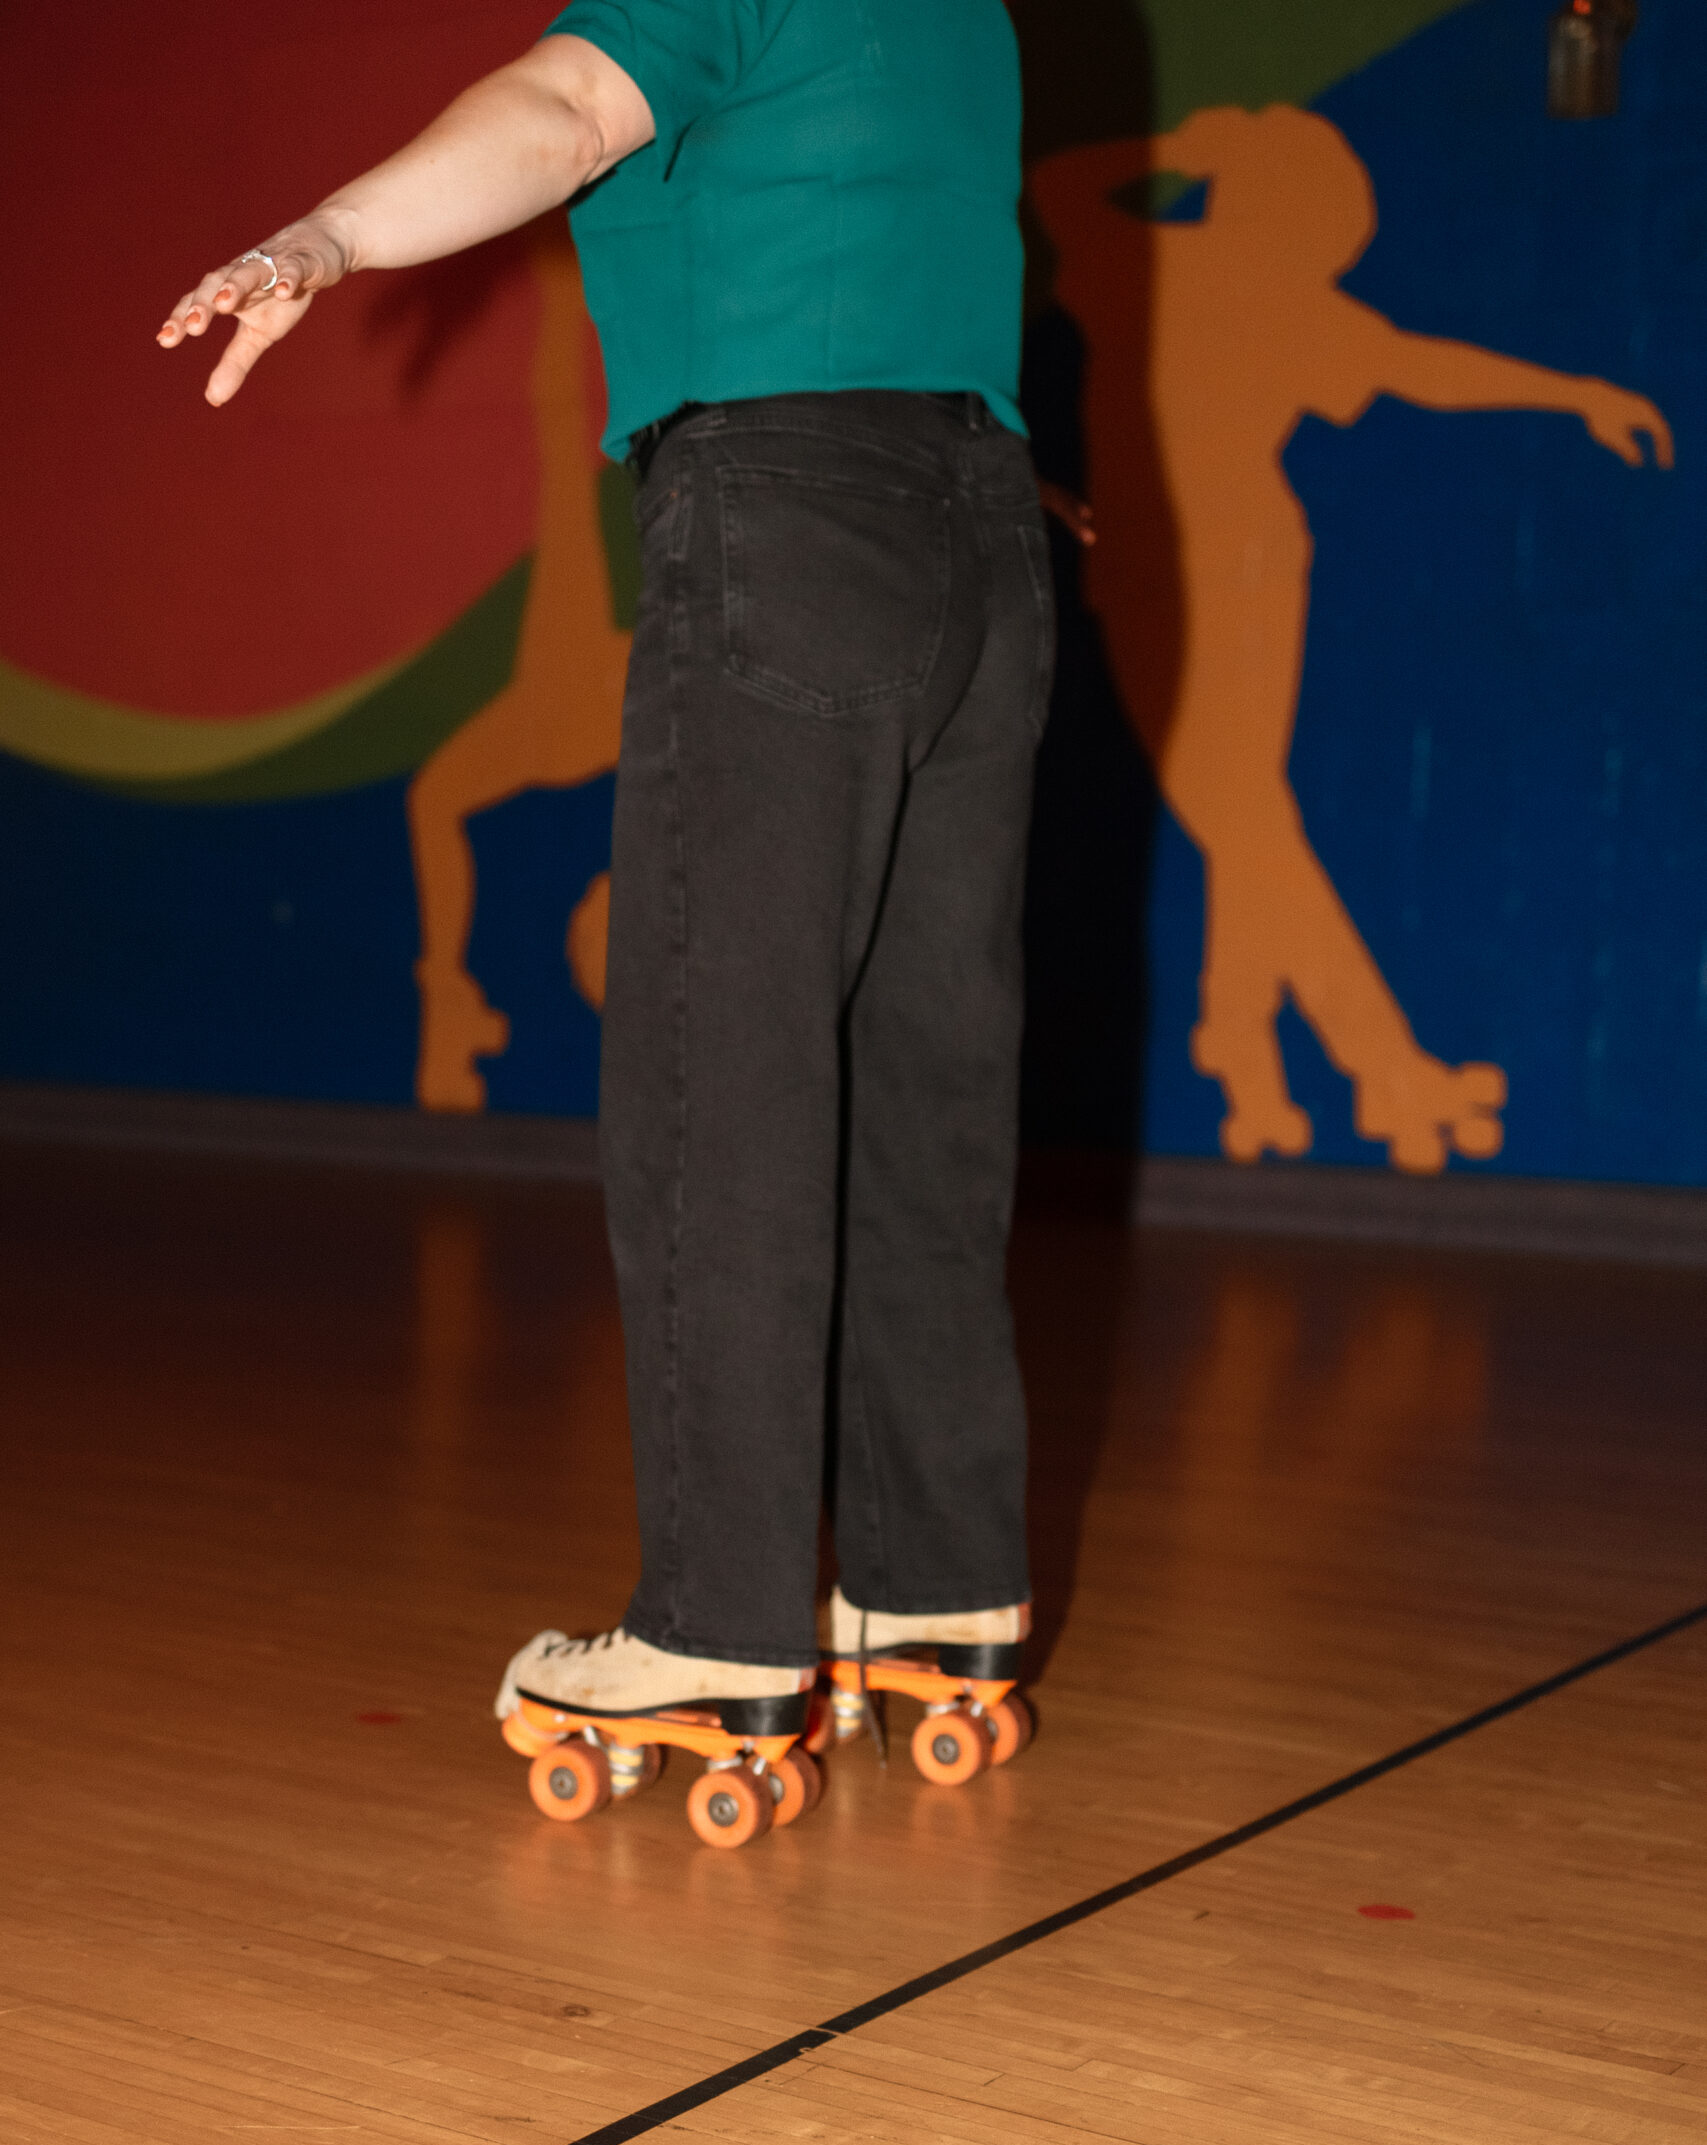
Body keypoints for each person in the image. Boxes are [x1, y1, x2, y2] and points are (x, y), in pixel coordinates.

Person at [161, 1, 1048, 1812]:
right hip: (984, 536)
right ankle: (936, 1588)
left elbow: (567, 104)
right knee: (920, 1090)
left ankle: (721, 1631)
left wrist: (321, 235)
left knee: (715, 1076)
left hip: (788, 514)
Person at [1030, 105, 1672, 1174]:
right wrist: (1190, 148)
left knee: (1249, 820)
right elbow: (1057, 185)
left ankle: (1258, 1049)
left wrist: (1575, 394)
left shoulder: (1208, 281)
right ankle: (1366, 1061)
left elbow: (1430, 366)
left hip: (1244, 576)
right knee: (1249, 823)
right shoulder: (1151, 264)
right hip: (1181, 576)